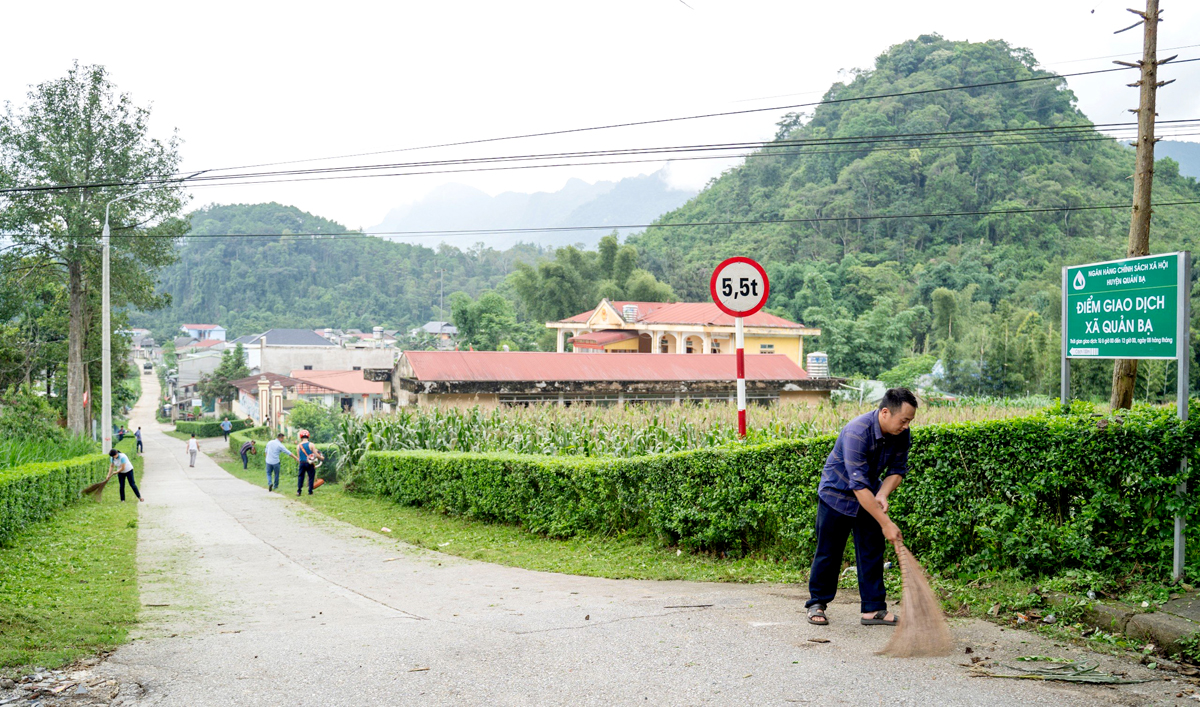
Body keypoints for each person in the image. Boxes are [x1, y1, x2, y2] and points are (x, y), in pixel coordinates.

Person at [806, 387, 917, 628]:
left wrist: (883, 493)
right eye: (904, 420)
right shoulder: (857, 431)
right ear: (885, 412)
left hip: (868, 494)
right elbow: (857, 486)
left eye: (910, 421)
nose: (906, 426)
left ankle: (873, 609)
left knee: (872, 550)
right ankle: (817, 603)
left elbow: (897, 470)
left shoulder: (902, 434)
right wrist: (886, 523)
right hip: (836, 494)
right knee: (829, 551)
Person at [296, 430, 325, 496]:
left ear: (301, 437)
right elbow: (316, 454)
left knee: (301, 477)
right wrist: (321, 458)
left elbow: (299, 457)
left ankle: (299, 491)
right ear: (308, 436)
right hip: (309, 463)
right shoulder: (311, 444)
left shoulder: (298, 446)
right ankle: (310, 491)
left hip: (302, 463)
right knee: (311, 476)